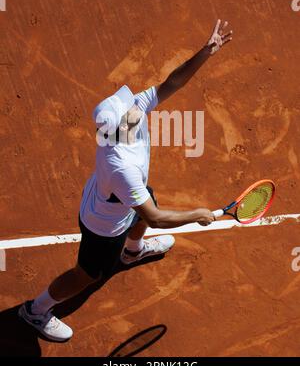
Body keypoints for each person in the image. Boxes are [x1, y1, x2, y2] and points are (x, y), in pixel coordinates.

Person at [18, 20, 232, 341]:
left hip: (118, 200)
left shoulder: (127, 118)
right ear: (118, 129)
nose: (133, 104)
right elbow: (156, 218)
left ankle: (132, 252)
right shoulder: (120, 166)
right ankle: (35, 310)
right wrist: (198, 215)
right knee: (86, 275)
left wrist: (205, 52)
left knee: (149, 195)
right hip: (103, 227)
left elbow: (170, 84)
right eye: (127, 107)